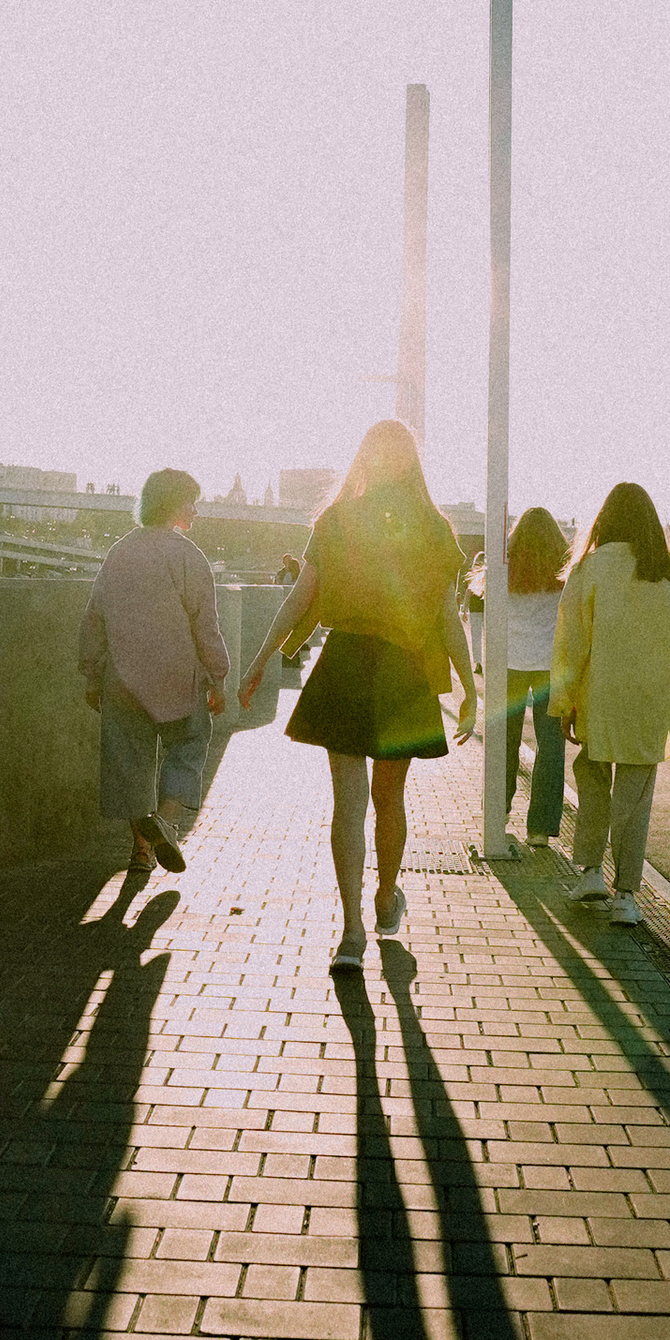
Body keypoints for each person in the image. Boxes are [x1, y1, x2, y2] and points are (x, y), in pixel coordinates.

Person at [237, 416, 476, 972]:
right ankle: (386, 897)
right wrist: (468, 688)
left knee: (347, 804)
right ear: (412, 462)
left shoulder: (336, 520)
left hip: (345, 663)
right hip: (404, 672)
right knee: (388, 799)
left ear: (363, 459)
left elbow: (300, 598)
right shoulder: (436, 528)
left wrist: (259, 660)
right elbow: (447, 617)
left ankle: (350, 934)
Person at [550, 478, 670, 930]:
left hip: (599, 697)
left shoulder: (588, 570)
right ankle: (627, 896)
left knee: (592, 778)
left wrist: (563, 702)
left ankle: (591, 870)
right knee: (635, 796)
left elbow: (570, 642)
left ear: (604, 520)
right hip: (649, 699)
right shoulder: (664, 573)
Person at [78, 466, 229, 878]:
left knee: (130, 761)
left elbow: (95, 617)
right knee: (192, 741)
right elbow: (205, 625)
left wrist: (92, 673)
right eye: (191, 501)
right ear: (175, 504)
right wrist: (218, 675)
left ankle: (141, 850)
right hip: (178, 677)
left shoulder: (120, 551)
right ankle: (166, 817)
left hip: (123, 677)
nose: (195, 510)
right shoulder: (188, 556)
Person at [499, 504, 572, 849]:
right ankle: (540, 828)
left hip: (510, 662)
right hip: (550, 667)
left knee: (505, 742)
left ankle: (497, 811)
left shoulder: (504, 567)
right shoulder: (564, 570)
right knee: (550, 747)